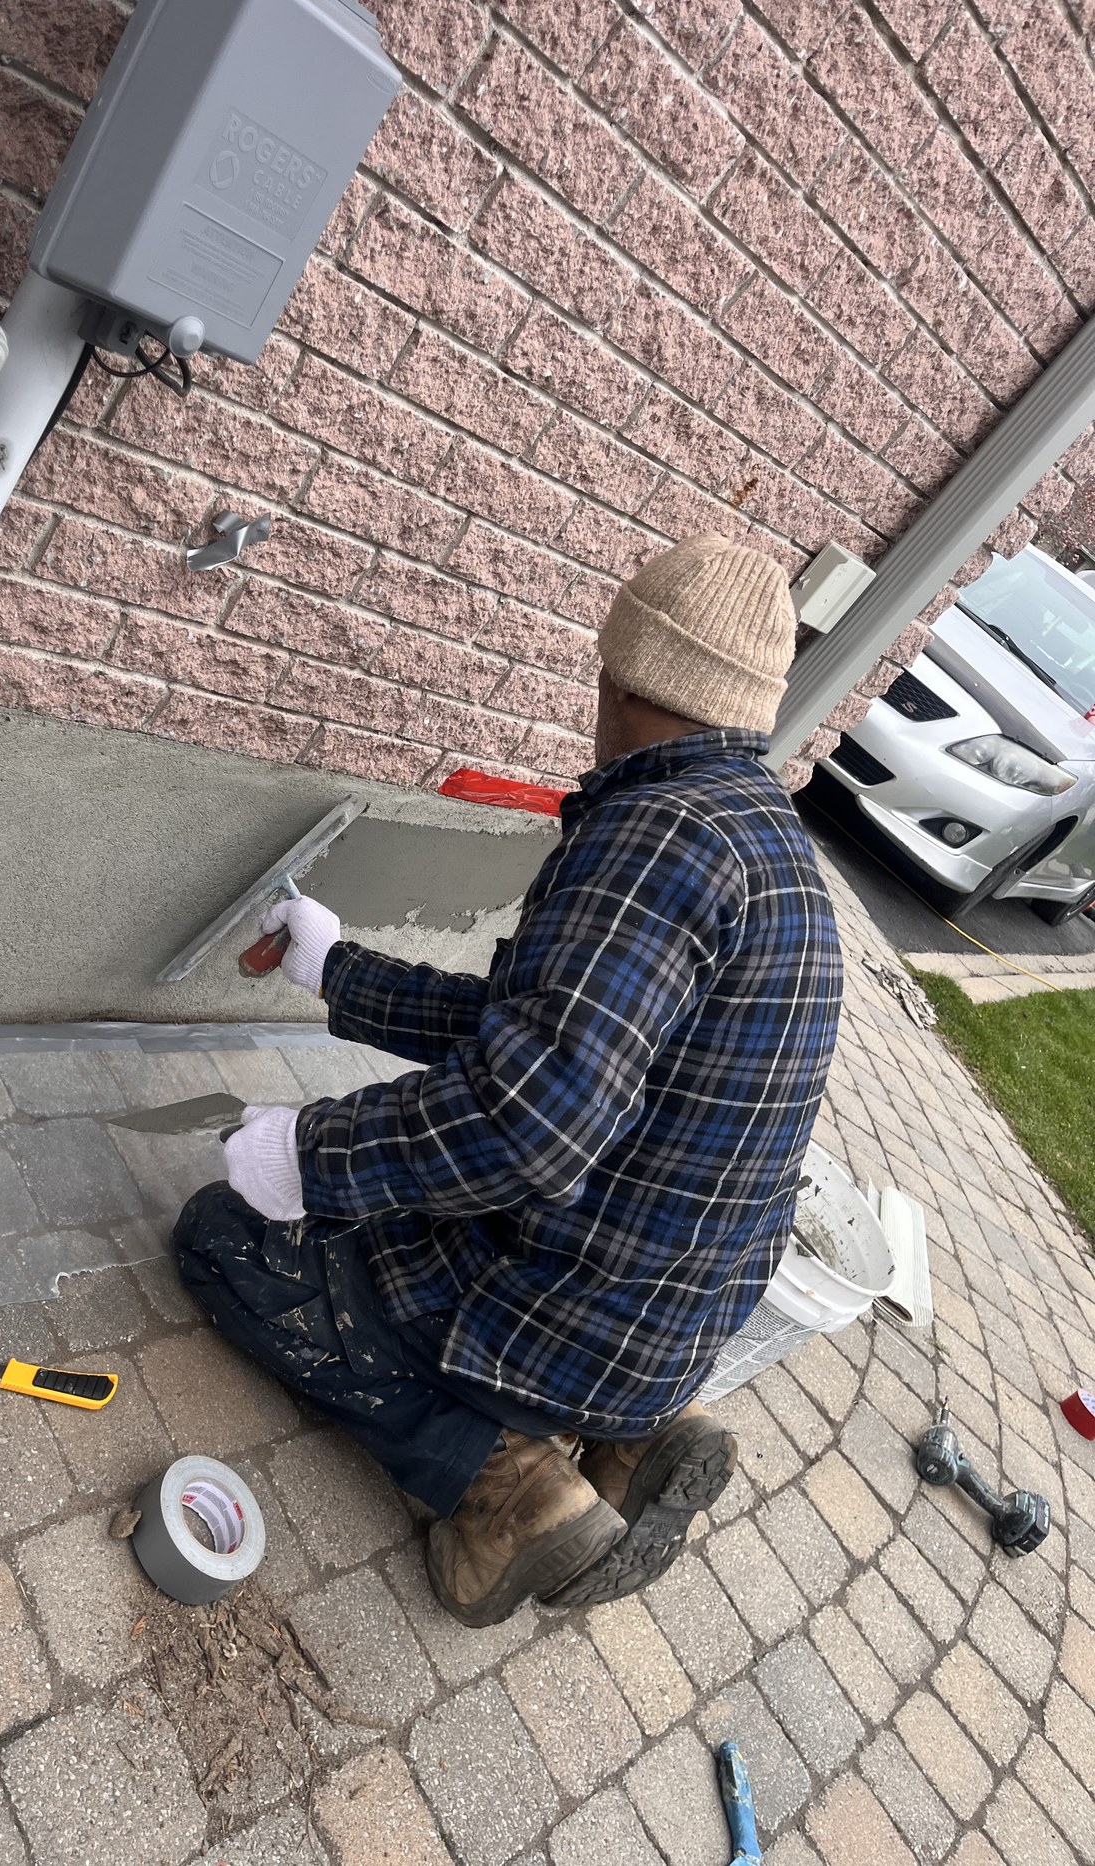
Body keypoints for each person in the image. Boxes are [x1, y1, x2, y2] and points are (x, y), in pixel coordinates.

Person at [173, 533, 844, 1626]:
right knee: (403, 1200)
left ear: (621, 673)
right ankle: (629, 1441)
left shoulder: (655, 839)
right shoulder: (770, 846)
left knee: (226, 1240)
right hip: (673, 1317)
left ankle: (509, 1486)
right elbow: (532, 1036)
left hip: (567, 1303)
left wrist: (309, 1156)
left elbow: (526, 1122)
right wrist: (336, 969)